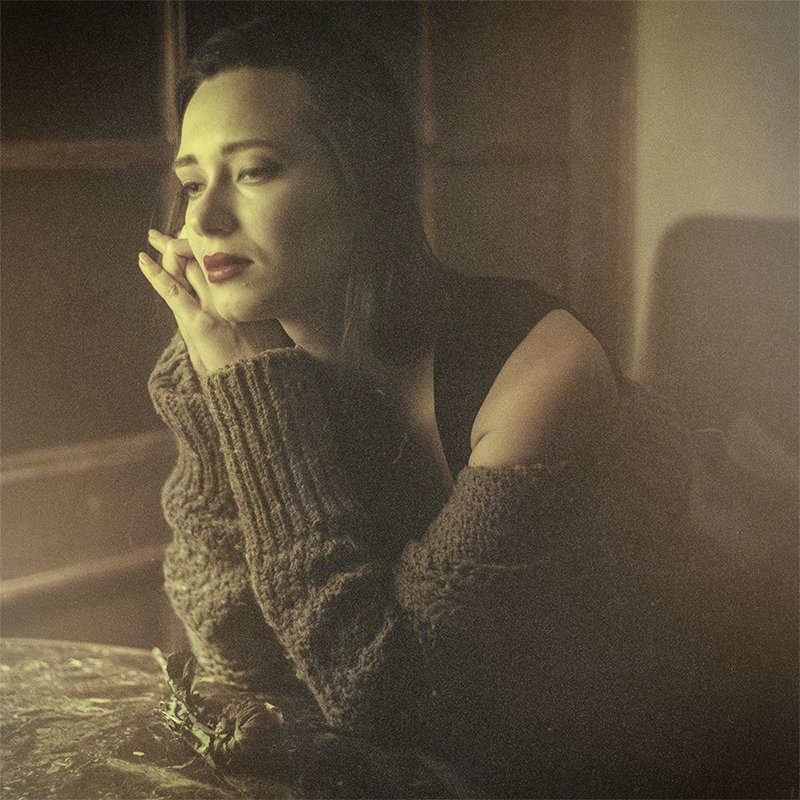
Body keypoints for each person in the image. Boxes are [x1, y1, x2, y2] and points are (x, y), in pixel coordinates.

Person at [140, 10, 794, 798]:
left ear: (367, 183)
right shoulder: (236, 353)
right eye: (191, 182)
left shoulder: (538, 370)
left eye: (255, 170)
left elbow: (393, 699)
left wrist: (252, 403)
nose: (203, 219)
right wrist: (227, 399)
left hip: (678, 741)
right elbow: (235, 657)